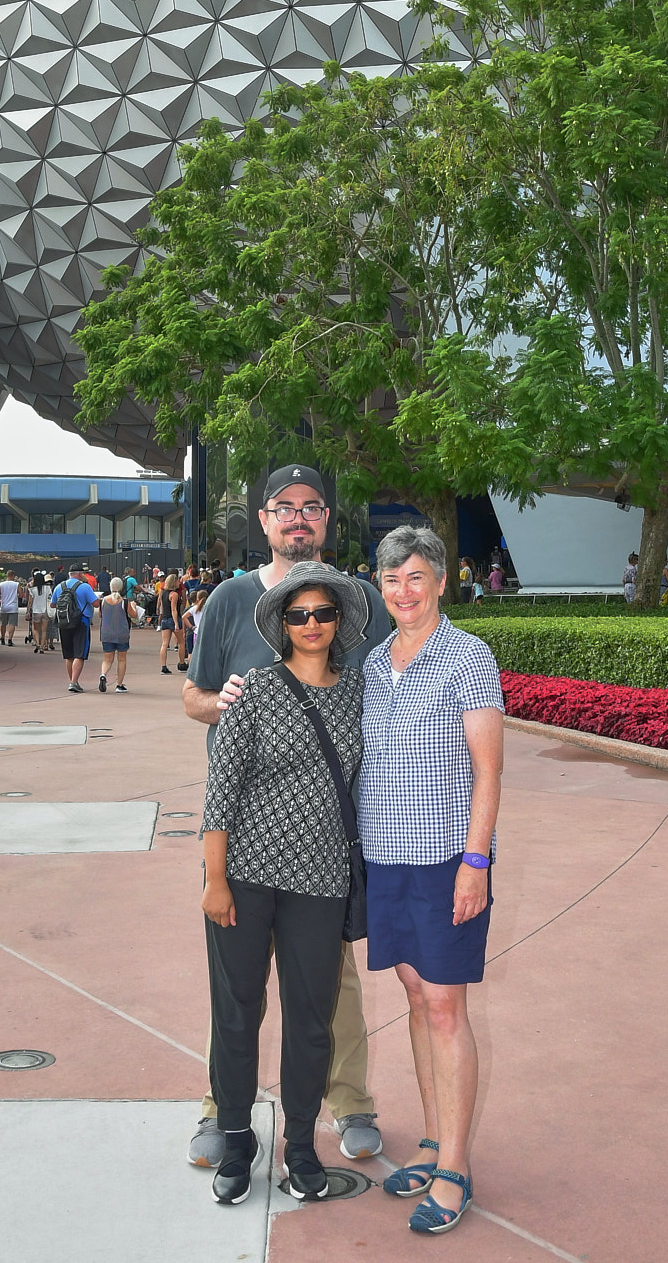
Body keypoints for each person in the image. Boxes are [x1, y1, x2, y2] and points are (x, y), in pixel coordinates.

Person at [184, 463, 391, 1172]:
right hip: (244, 834)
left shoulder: (359, 600)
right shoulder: (228, 599)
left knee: (329, 986)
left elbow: (385, 691)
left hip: (327, 842)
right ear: (264, 520)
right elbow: (193, 695)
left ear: (326, 519)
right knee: (235, 988)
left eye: (311, 507)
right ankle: (221, 1112)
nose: (297, 518)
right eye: (284, 507)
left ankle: (350, 1102)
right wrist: (221, 705)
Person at [201, 563, 372, 1206]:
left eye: (322, 613)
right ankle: (236, 1139)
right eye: (298, 615)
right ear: (281, 624)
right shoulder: (256, 692)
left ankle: (300, 1143)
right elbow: (221, 791)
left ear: (338, 621)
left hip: (320, 882)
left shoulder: (357, 694)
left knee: (311, 1018)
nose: (311, 624)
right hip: (245, 878)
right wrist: (215, 879)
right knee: (237, 1012)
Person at [362, 524, 504, 1236]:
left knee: (445, 1006)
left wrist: (475, 862)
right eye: (391, 579)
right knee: (416, 997)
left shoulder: (467, 657)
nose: (404, 591)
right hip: (384, 858)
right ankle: (430, 1139)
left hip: (447, 860)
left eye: (416, 577)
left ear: (442, 581)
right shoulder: (373, 661)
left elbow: (488, 771)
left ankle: (455, 1166)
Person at [53, 568, 98, 689]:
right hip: (81, 622)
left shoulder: (59, 586)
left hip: (64, 621)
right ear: (79, 574)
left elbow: (53, 604)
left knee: (69, 655)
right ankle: (74, 682)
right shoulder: (84, 587)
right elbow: (96, 603)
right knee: (79, 653)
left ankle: (72, 681)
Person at [97, 578, 132, 692]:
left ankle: (103, 674)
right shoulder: (124, 601)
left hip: (107, 633)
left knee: (107, 659)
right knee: (121, 659)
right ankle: (119, 684)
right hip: (121, 633)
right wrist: (134, 606)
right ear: (121, 588)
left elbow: (100, 615)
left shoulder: (103, 601)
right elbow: (133, 614)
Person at [158, 570, 185, 675]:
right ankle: (181, 663)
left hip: (165, 619)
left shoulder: (163, 593)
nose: (179, 583)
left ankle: (163, 666)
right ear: (174, 582)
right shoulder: (174, 594)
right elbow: (174, 609)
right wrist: (176, 623)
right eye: (177, 581)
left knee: (164, 644)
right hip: (173, 619)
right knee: (181, 642)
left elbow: (163, 606)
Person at [0, 570, 21, 645]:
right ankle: (10, 639)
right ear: (13, 576)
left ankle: (2, 637)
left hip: (4, 607)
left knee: (3, 624)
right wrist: (16, 596)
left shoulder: (1, 584)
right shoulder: (16, 584)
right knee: (12, 624)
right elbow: (21, 594)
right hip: (13, 607)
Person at [29, 571, 53, 653]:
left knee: (36, 629)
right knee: (44, 630)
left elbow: (30, 601)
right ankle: (42, 647)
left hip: (36, 611)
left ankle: (37, 644)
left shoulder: (33, 589)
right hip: (45, 611)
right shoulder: (48, 588)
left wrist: (28, 611)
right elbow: (50, 599)